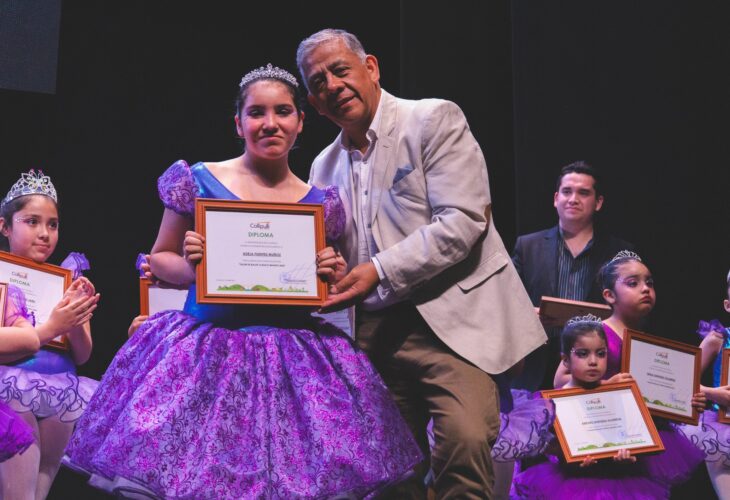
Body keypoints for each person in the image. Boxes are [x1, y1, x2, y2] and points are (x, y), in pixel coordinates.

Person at [64, 64, 421, 499]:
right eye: (256, 113)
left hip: (295, 360)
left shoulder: (320, 203)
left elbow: (324, 287)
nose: (270, 123)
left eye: (283, 111)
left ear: (300, 121)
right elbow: (161, 257)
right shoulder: (198, 181)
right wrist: (194, 267)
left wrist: (332, 272)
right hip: (207, 350)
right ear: (238, 123)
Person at [298, 29, 546, 498]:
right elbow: (337, 255)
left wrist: (378, 269)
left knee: (465, 441)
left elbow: (464, 220)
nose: (332, 85)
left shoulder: (432, 119)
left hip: (451, 323)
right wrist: (330, 265)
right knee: (388, 471)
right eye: (318, 82)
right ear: (314, 103)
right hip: (373, 332)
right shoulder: (322, 167)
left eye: (340, 70)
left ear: (371, 68)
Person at [550, 251, 706, 496]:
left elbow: (658, 391)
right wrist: (606, 385)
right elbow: (560, 381)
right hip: (600, 431)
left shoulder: (647, 343)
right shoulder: (597, 333)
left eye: (649, 283)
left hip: (633, 438)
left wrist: (687, 401)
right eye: (633, 283)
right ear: (609, 295)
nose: (645, 289)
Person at [512, 314, 699, 499]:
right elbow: (546, 446)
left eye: (601, 353)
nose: (593, 361)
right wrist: (569, 456)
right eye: (583, 354)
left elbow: (629, 435)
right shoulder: (553, 404)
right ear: (566, 360)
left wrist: (628, 455)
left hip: (620, 482)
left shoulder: (621, 397)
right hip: (573, 483)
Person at [0, 170, 100, 499]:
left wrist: (76, 315)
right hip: (12, 388)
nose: (44, 234)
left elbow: (82, 354)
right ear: (5, 226)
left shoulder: (66, 279)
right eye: (32, 222)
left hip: (61, 391)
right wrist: (51, 327)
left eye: (52, 224)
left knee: (41, 485)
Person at [511, 161, 634, 391]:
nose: (573, 199)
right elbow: (506, 301)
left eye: (583, 193)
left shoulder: (619, 252)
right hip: (536, 366)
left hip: (595, 370)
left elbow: (632, 311)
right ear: (556, 198)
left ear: (598, 202)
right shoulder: (528, 247)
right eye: (567, 191)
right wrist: (527, 315)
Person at [677, 270, 730, 498]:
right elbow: (680, 382)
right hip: (722, 432)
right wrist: (714, 394)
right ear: (728, 305)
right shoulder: (719, 339)